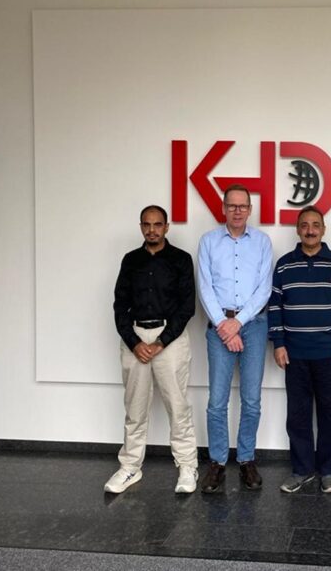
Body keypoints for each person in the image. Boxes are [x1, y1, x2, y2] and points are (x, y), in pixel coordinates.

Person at [107, 204, 198, 494]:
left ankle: (187, 466)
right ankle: (130, 467)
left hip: (170, 338)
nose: (152, 230)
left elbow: (187, 307)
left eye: (157, 224)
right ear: (141, 227)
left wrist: (161, 341)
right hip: (135, 338)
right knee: (134, 409)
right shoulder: (130, 260)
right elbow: (120, 305)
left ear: (166, 227)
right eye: (147, 224)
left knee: (178, 406)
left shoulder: (180, 260)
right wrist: (134, 342)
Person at [268, 206, 331, 494]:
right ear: (297, 229)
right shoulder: (284, 265)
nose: (310, 230)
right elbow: (275, 306)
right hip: (294, 353)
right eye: (304, 225)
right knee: (298, 415)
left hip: (329, 353)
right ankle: (302, 470)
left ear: (323, 229)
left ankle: (328, 470)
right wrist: (278, 343)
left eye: (315, 225)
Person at [197, 184, 273, 492]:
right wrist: (224, 325)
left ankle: (246, 459)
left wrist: (238, 323)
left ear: (250, 210)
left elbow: (264, 288)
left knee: (251, 399)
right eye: (232, 205)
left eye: (243, 206)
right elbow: (205, 287)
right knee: (217, 401)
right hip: (219, 326)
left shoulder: (263, 242)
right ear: (224, 208)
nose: (237, 211)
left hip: (254, 324)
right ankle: (217, 462)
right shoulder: (208, 241)